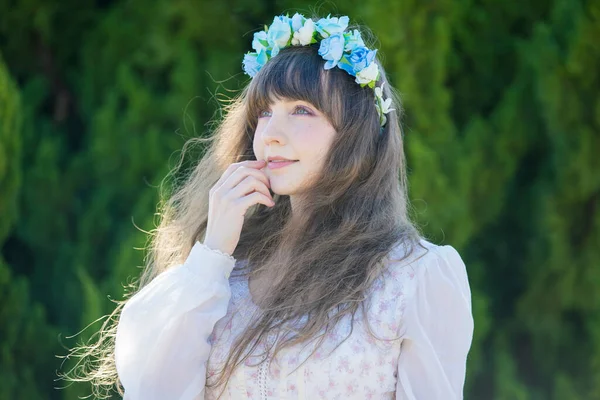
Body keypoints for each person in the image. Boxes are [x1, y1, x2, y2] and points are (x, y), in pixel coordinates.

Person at [72, 12, 474, 400]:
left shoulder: (414, 276)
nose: (271, 136)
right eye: (264, 112)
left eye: (301, 110)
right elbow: (157, 392)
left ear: (356, 133)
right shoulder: (223, 268)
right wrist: (211, 254)